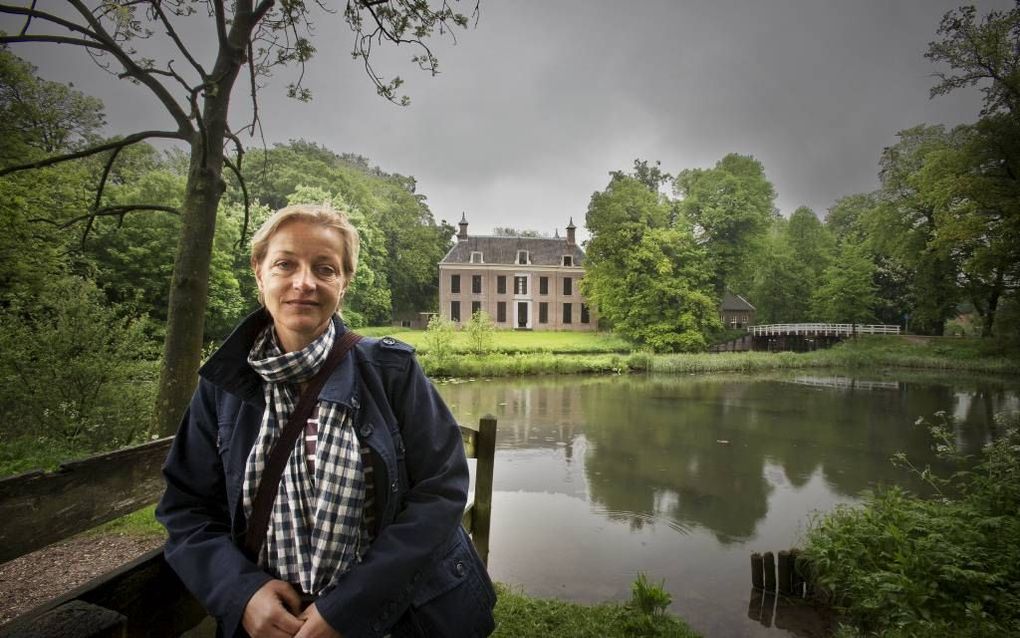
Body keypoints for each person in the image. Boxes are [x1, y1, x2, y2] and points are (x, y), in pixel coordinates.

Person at [157, 204, 496, 638]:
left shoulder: (392, 371)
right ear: (259, 273)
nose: (304, 283)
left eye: (324, 268)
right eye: (285, 264)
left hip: (389, 624)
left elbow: (442, 489)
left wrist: (347, 609)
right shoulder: (222, 387)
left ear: (344, 283)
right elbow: (186, 508)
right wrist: (241, 594)